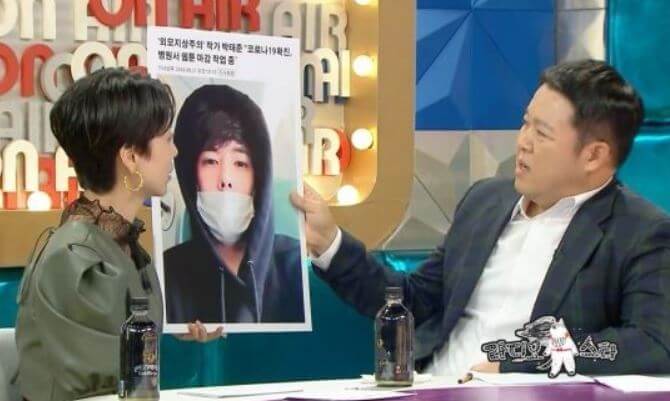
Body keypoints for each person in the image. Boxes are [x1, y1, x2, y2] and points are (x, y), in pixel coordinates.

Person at [291, 59, 670, 376]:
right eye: (525, 123)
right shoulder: (485, 201)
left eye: (541, 133)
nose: (522, 141)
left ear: (593, 156)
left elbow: (652, 344)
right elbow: (412, 302)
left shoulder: (640, 232)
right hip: (430, 387)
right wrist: (329, 243)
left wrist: (518, 361)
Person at [14, 68, 221, 401]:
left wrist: (175, 331)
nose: (175, 152)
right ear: (131, 157)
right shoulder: (74, 260)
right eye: (167, 140)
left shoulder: (123, 247)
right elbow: (106, 384)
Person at [164, 84, 305, 324]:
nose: (225, 179)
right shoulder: (168, 273)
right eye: (211, 161)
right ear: (192, 177)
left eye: (240, 163)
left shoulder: (295, 264)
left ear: (259, 178)